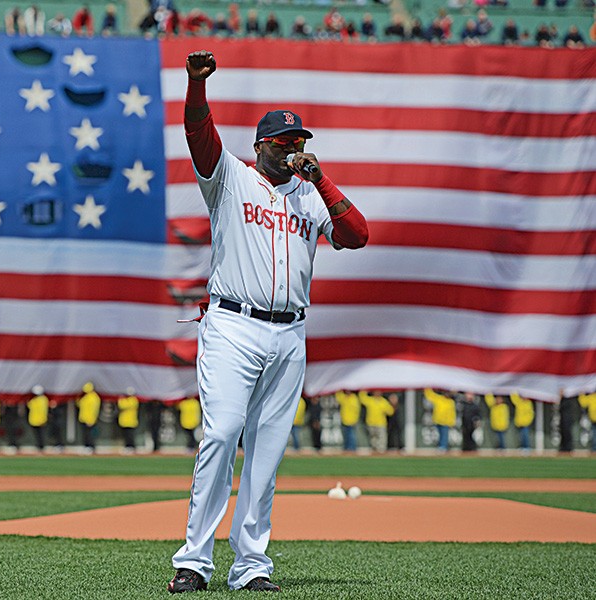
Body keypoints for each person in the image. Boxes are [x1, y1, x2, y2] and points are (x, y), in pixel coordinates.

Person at [168, 50, 368, 594]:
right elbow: (197, 132)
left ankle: (251, 565)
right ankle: (194, 560)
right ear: (262, 147)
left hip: (290, 333)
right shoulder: (231, 177)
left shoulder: (310, 194)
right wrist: (195, 85)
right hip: (233, 325)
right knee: (223, 432)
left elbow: (357, 235)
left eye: (299, 142)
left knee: (268, 449)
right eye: (284, 143)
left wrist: (320, 180)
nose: (294, 149)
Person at [77, 382, 100, 454]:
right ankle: (86, 446)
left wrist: (91, 420)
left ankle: (91, 446)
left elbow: (94, 410)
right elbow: (79, 404)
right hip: (84, 418)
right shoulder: (85, 397)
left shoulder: (93, 397)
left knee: (90, 434)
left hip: (89, 419)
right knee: (85, 434)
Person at [117, 388, 140, 454]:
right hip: (124, 421)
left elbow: (122, 405)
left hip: (130, 421)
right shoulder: (127, 400)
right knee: (126, 435)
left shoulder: (133, 400)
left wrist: (120, 399)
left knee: (130, 435)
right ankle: (128, 446)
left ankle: (131, 447)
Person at [27, 386, 49, 452]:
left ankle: (41, 446)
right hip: (33, 420)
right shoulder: (33, 400)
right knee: (37, 434)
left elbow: (43, 410)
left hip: (40, 420)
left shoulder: (43, 399)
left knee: (41, 434)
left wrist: (43, 419)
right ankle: (38, 445)